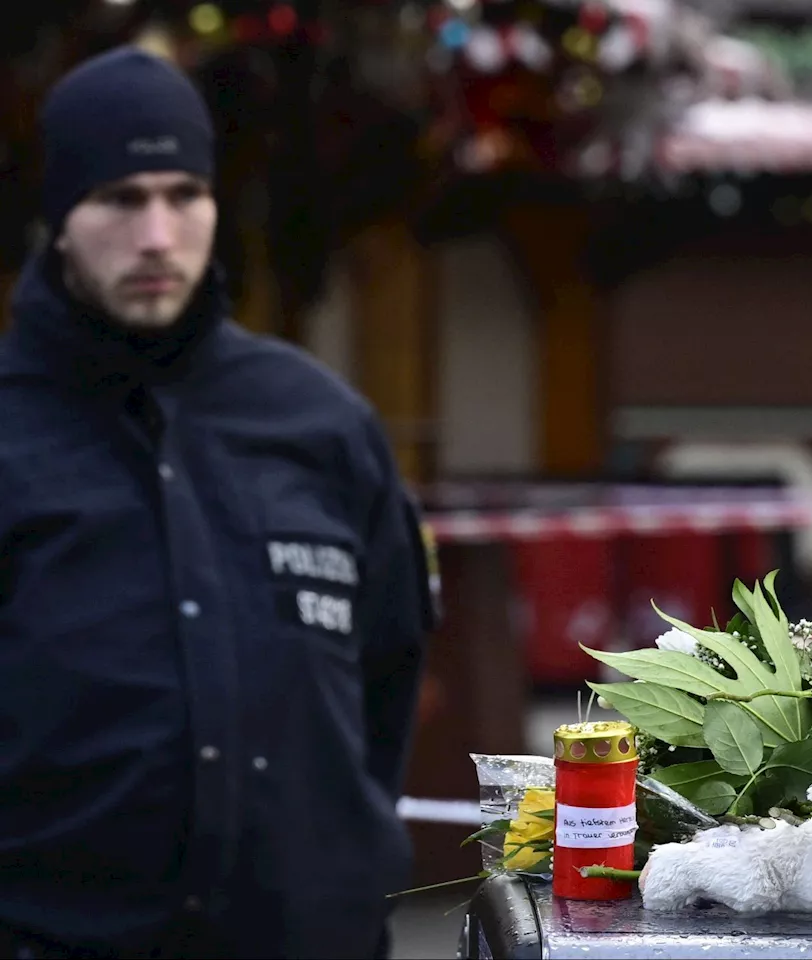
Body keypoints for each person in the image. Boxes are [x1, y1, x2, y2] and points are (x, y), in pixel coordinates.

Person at [0, 45, 433, 959]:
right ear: (59, 219)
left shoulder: (320, 422)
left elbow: (387, 677)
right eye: (120, 199)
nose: (157, 234)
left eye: (183, 193)